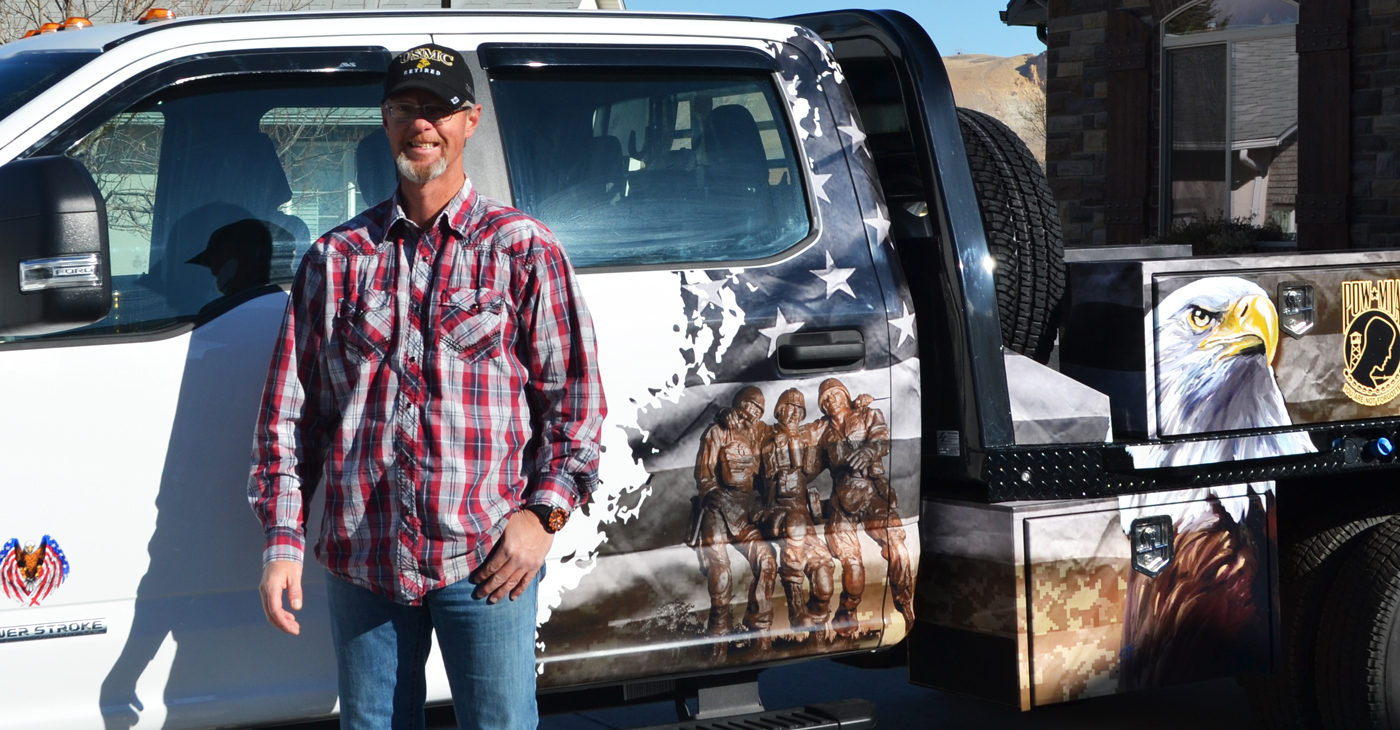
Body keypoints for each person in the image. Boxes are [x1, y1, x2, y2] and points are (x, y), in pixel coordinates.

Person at [248, 44, 605, 730]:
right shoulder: (336, 259)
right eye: (406, 108)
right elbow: (291, 417)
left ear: (470, 121)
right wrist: (283, 539)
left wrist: (543, 518)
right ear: (385, 121)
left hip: (486, 558)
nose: (422, 124)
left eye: (438, 109)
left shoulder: (523, 249)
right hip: (364, 561)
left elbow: (576, 407)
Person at [814, 379, 914, 634]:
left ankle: (905, 604)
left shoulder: (868, 414)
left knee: (897, 545)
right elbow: (806, 461)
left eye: (835, 394)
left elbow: (882, 438)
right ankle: (847, 611)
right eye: (825, 399)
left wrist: (869, 451)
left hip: (873, 491)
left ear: (845, 395)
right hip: (842, 498)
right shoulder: (822, 432)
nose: (830, 401)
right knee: (852, 562)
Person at [691, 386, 776, 653]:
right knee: (719, 569)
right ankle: (719, 631)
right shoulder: (718, 431)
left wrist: (763, 503)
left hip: (743, 513)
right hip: (717, 508)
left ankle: (759, 630)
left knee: (767, 559)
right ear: (739, 403)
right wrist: (709, 491)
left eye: (759, 410)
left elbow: (780, 433)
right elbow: (704, 471)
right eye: (750, 406)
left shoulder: (759, 434)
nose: (754, 413)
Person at [758, 388, 834, 638]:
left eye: (798, 410)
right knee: (795, 525)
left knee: (823, 573)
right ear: (779, 411)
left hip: (801, 513)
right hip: (777, 512)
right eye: (788, 409)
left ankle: (818, 626)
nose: (793, 414)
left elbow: (827, 421)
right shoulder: (766, 435)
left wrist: (856, 404)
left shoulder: (805, 435)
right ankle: (796, 608)